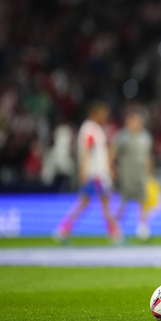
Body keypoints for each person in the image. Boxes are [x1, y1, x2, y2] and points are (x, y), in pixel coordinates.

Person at [54, 101, 120, 243]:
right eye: (102, 113)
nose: (105, 116)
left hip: (96, 172)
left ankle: (63, 229)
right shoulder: (90, 128)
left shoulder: (93, 128)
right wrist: (84, 170)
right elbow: (87, 151)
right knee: (103, 202)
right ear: (94, 114)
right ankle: (114, 233)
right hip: (95, 174)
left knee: (88, 203)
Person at [111, 108, 154, 241]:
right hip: (127, 176)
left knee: (144, 201)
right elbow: (112, 154)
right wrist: (113, 169)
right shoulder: (122, 136)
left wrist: (150, 173)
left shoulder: (145, 136)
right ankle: (115, 226)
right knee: (124, 203)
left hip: (141, 176)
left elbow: (148, 156)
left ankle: (142, 229)